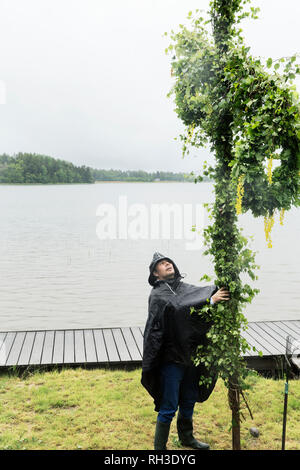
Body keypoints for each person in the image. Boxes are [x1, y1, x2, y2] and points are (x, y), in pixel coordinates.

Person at [141, 252, 230, 450]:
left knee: (189, 398)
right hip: (171, 359)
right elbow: (179, 310)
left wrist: (219, 289)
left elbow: (198, 295)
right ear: (156, 274)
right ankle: (159, 449)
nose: (167, 264)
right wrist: (210, 302)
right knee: (169, 405)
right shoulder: (157, 295)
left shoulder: (183, 287)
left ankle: (187, 438)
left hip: (190, 355)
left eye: (169, 262)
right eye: (162, 264)